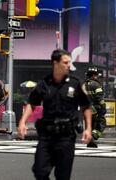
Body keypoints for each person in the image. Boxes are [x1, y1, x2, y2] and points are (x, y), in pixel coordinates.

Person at [17, 49, 93, 180]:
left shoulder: (74, 84)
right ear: (55, 63)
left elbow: (86, 106)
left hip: (66, 137)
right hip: (47, 136)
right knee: (39, 170)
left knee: (62, 176)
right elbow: (32, 103)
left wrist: (88, 128)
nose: (69, 65)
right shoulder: (43, 84)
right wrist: (22, 122)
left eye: (69, 62)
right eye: (65, 62)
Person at [82, 67, 107, 148]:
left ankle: (90, 142)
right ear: (93, 75)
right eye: (96, 75)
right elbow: (100, 98)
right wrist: (103, 108)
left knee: (90, 125)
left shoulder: (84, 85)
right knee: (101, 123)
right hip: (96, 109)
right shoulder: (96, 85)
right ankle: (93, 137)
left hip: (86, 110)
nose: (97, 77)